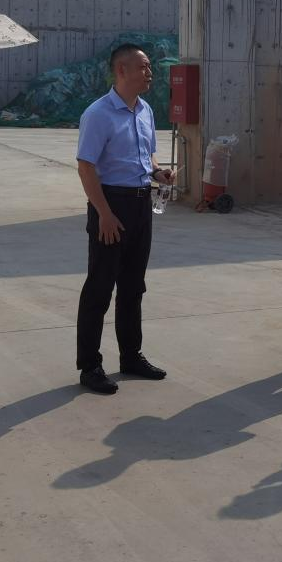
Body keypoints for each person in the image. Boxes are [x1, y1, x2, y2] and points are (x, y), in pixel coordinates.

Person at [75, 44, 176, 394]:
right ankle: (90, 366)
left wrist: (158, 173)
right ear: (121, 70)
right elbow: (86, 166)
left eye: (149, 67)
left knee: (133, 286)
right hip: (111, 205)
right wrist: (103, 213)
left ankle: (131, 356)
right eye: (143, 67)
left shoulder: (145, 110)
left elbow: (147, 156)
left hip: (140, 204)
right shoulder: (98, 114)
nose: (150, 73)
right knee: (100, 288)